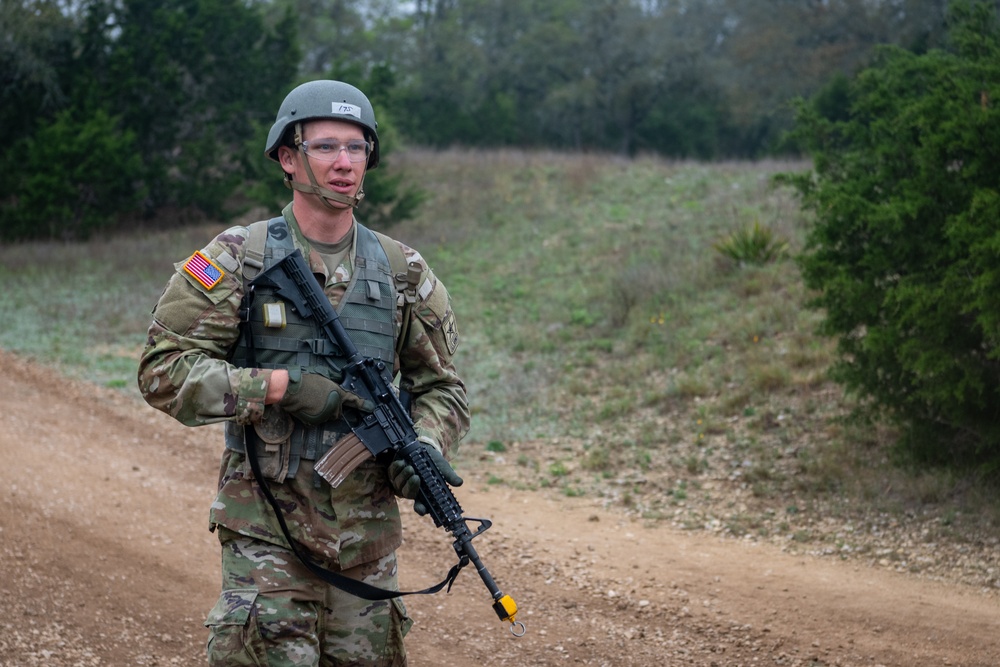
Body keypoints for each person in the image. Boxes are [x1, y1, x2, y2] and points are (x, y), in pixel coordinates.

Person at [137, 79, 470, 666]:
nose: (345, 163)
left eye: (357, 147)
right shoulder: (231, 258)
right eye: (326, 147)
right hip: (268, 537)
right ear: (288, 159)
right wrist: (276, 387)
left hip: (366, 545)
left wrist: (423, 443)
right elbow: (163, 370)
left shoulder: (404, 272)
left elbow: (442, 386)